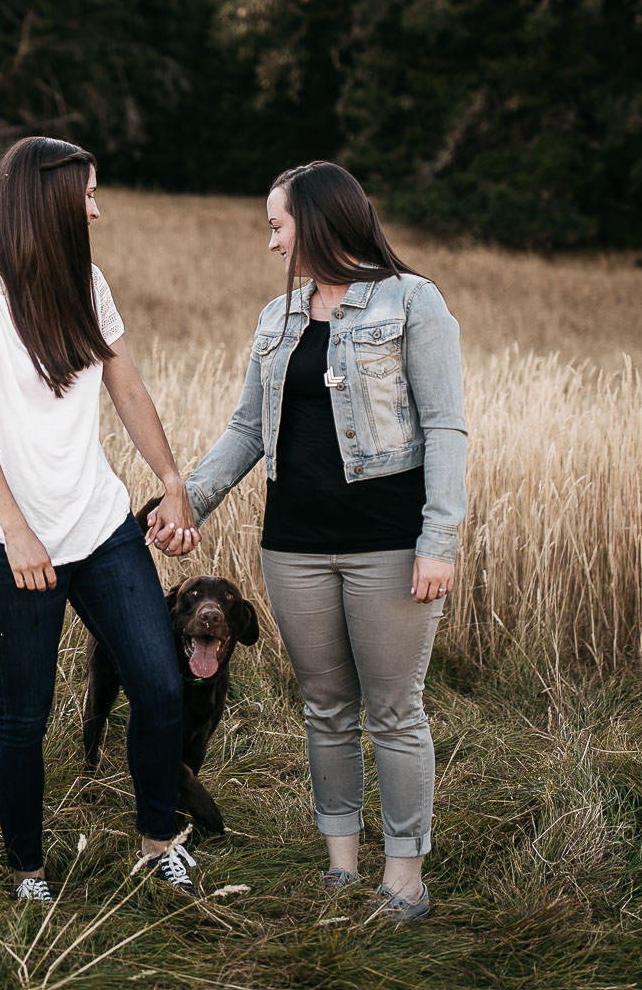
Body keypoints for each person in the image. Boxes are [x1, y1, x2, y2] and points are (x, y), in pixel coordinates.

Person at [153, 160, 466, 922]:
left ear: (319, 221)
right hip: (293, 546)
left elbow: (446, 427)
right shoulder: (277, 317)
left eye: (277, 226)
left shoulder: (412, 301)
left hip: (389, 544)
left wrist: (439, 537)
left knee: (394, 711)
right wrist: (186, 501)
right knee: (325, 708)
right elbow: (246, 430)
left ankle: (404, 881)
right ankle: (341, 869)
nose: (271, 243)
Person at [0, 136, 202, 903]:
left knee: (160, 687)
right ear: (48, 200)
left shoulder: (89, 283)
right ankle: (29, 875)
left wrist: (172, 481)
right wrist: (16, 529)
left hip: (99, 526)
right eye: (87, 194)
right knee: (26, 716)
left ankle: (157, 845)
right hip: (7, 543)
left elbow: (128, 387)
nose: (96, 209)